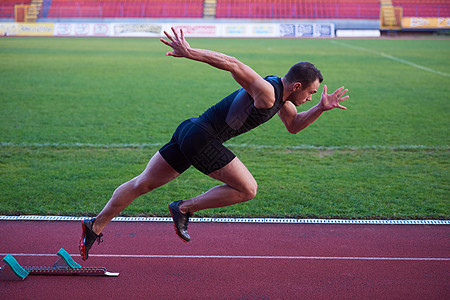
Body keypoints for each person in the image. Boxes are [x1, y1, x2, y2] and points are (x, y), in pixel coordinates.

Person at [79, 27, 349, 260]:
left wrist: (321, 109)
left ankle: (95, 226)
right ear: (298, 85)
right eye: (312, 93)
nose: (312, 98)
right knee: (247, 189)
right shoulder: (267, 93)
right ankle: (183, 207)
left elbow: (294, 126)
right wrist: (190, 52)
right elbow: (232, 63)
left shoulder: (282, 99)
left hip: (189, 130)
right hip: (202, 138)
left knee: (142, 183)